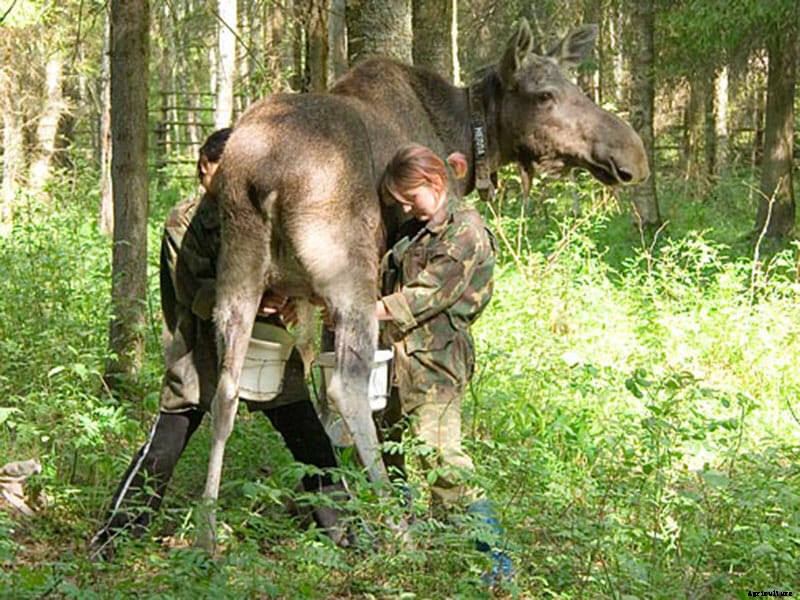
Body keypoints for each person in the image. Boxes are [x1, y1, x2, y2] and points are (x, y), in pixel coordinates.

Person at [90, 129, 350, 560]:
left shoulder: (264, 213)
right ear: (205, 166)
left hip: (265, 349)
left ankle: (345, 533)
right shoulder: (185, 220)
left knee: (309, 439)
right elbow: (194, 291)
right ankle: (118, 535)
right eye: (222, 170)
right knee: (165, 444)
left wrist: (289, 302)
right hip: (202, 350)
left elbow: (291, 270)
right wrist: (253, 301)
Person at [375, 143, 512, 583]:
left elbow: (428, 293)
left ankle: (498, 565)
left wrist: (363, 311)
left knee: (442, 462)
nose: (405, 207)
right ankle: (438, 555)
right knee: (394, 450)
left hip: (437, 361)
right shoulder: (417, 230)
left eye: (410, 198)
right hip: (400, 359)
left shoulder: (464, 232)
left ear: (435, 184)